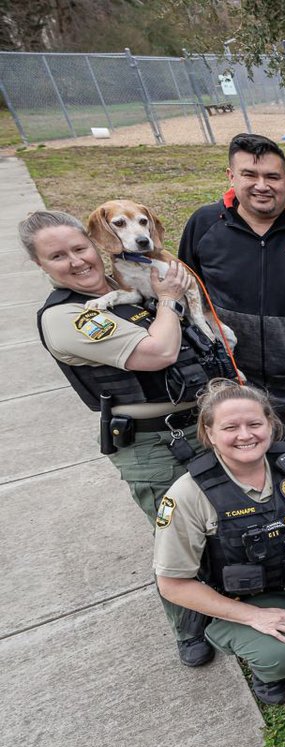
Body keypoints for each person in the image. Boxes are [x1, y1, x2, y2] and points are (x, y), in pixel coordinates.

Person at [25, 210, 238, 668]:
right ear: (41, 266)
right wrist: (167, 299)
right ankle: (189, 629)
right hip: (153, 444)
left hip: (202, 421)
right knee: (177, 537)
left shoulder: (127, 289)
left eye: (79, 248)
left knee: (230, 518)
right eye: (57, 257)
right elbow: (159, 352)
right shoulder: (70, 317)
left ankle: (236, 601)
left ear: (94, 243)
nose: (76, 261)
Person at [153, 379, 285, 704]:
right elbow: (172, 584)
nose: (245, 435)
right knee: (282, 655)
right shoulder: (188, 494)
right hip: (246, 598)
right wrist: (252, 617)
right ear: (209, 434)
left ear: (271, 425)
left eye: (254, 424)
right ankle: (262, 667)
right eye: (230, 427)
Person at [178, 133, 285, 454]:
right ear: (231, 177)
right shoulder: (204, 224)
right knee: (267, 462)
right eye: (249, 175)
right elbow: (188, 293)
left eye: (272, 176)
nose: (262, 185)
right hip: (242, 382)